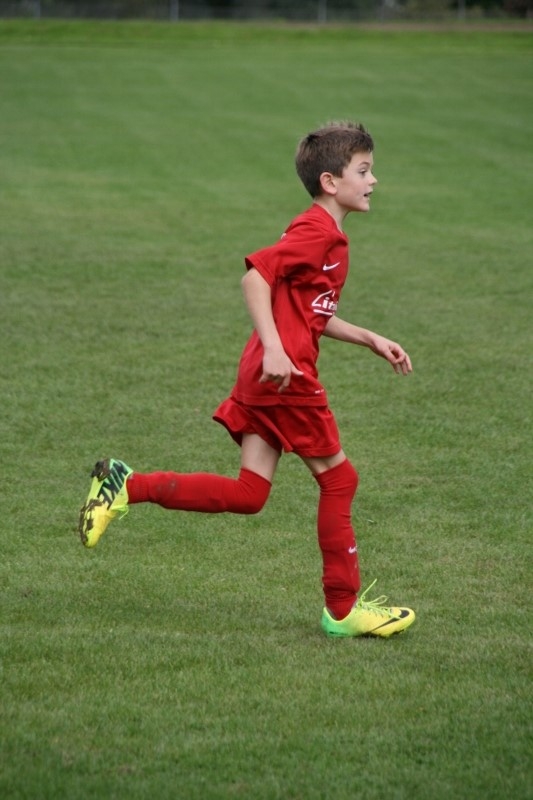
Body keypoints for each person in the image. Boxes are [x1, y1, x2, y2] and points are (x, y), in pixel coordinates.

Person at [79, 121, 416, 638]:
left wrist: (368, 337)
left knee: (250, 492)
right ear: (331, 182)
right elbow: (255, 277)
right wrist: (277, 348)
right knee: (339, 480)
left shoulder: (320, 230)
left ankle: (126, 484)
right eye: (364, 171)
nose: (373, 181)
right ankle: (343, 610)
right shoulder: (318, 233)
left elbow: (309, 310)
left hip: (265, 374)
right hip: (286, 376)